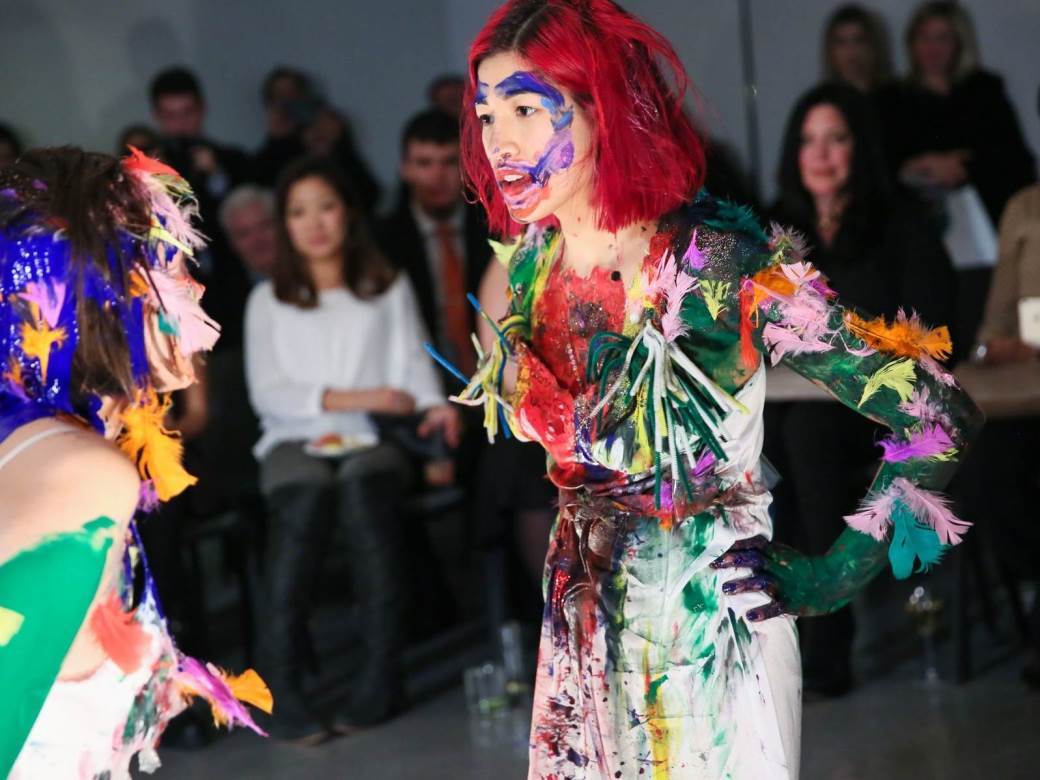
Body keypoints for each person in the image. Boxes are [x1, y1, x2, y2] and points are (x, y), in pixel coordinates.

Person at [454, 1, 983, 777]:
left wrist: (831, 575)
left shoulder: (715, 264)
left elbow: (938, 413)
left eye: (526, 110)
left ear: (604, 107)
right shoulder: (529, 267)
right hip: (582, 634)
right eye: (486, 115)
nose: (499, 142)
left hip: (709, 635)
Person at [0, 147, 270, 777]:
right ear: (84, 292)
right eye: (165, 263)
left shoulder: (52, 450)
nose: (193, 288)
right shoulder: (81, 475)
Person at [244, 156, 460, 741]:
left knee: (366, 492)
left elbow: (415, 370)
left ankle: (380, 677)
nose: (314, 223)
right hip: (293, 437)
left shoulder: (387, 286)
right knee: (304, 496)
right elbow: (269, 395)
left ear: (347, 213)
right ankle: (277, 685)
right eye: (298, 212)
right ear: (285, 224)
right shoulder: (267, 299)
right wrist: (360, 396)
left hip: (372, 436)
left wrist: (433, 406)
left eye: (326, 207)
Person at [768, 83, 956, 697]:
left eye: (837, 138)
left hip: (881, 412)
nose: (821, 154)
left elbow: (931, 330)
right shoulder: (777, 232)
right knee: (758, 444)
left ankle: (826, 640)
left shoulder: (899, 223)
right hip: (786, 405)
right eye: (809, 141)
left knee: (808, 440)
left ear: (859, 148)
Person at [377, 109, 492, 378]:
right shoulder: (382, 240)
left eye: (449, 162)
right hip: (414, 378)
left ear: (466, 166)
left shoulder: (494, 230)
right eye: (424, 163)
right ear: (405, 169)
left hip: (493, 373)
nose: (437, 176)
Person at [150, 66, 254, 351]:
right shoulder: (150, 170)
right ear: (158, 117)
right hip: (176, 296)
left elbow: (248, 218)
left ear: (202, 110)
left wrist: (216, 176)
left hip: (232, 290)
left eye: (187, 113)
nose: (181, 124)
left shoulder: (232, 161)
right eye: (171, 115)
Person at [253, 66, 382, 213]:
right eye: (279, 96)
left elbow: (369, 194)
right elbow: (262, 191)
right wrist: (275, 142)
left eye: (292, 93)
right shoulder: (273, 151)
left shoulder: (326, 124)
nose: (287, 102)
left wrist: (336, 145)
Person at [821, 4, 891, 94]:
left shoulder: (896, 96)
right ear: (831, 50)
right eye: (841, 42)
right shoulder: (820, 99)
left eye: (859, 40)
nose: (850, 50)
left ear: (872, 46)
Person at [221, 185, 278, 282]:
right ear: (232, 244)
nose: (257, 239)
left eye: (264, 226)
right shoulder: (229, 288)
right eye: (244, 234)